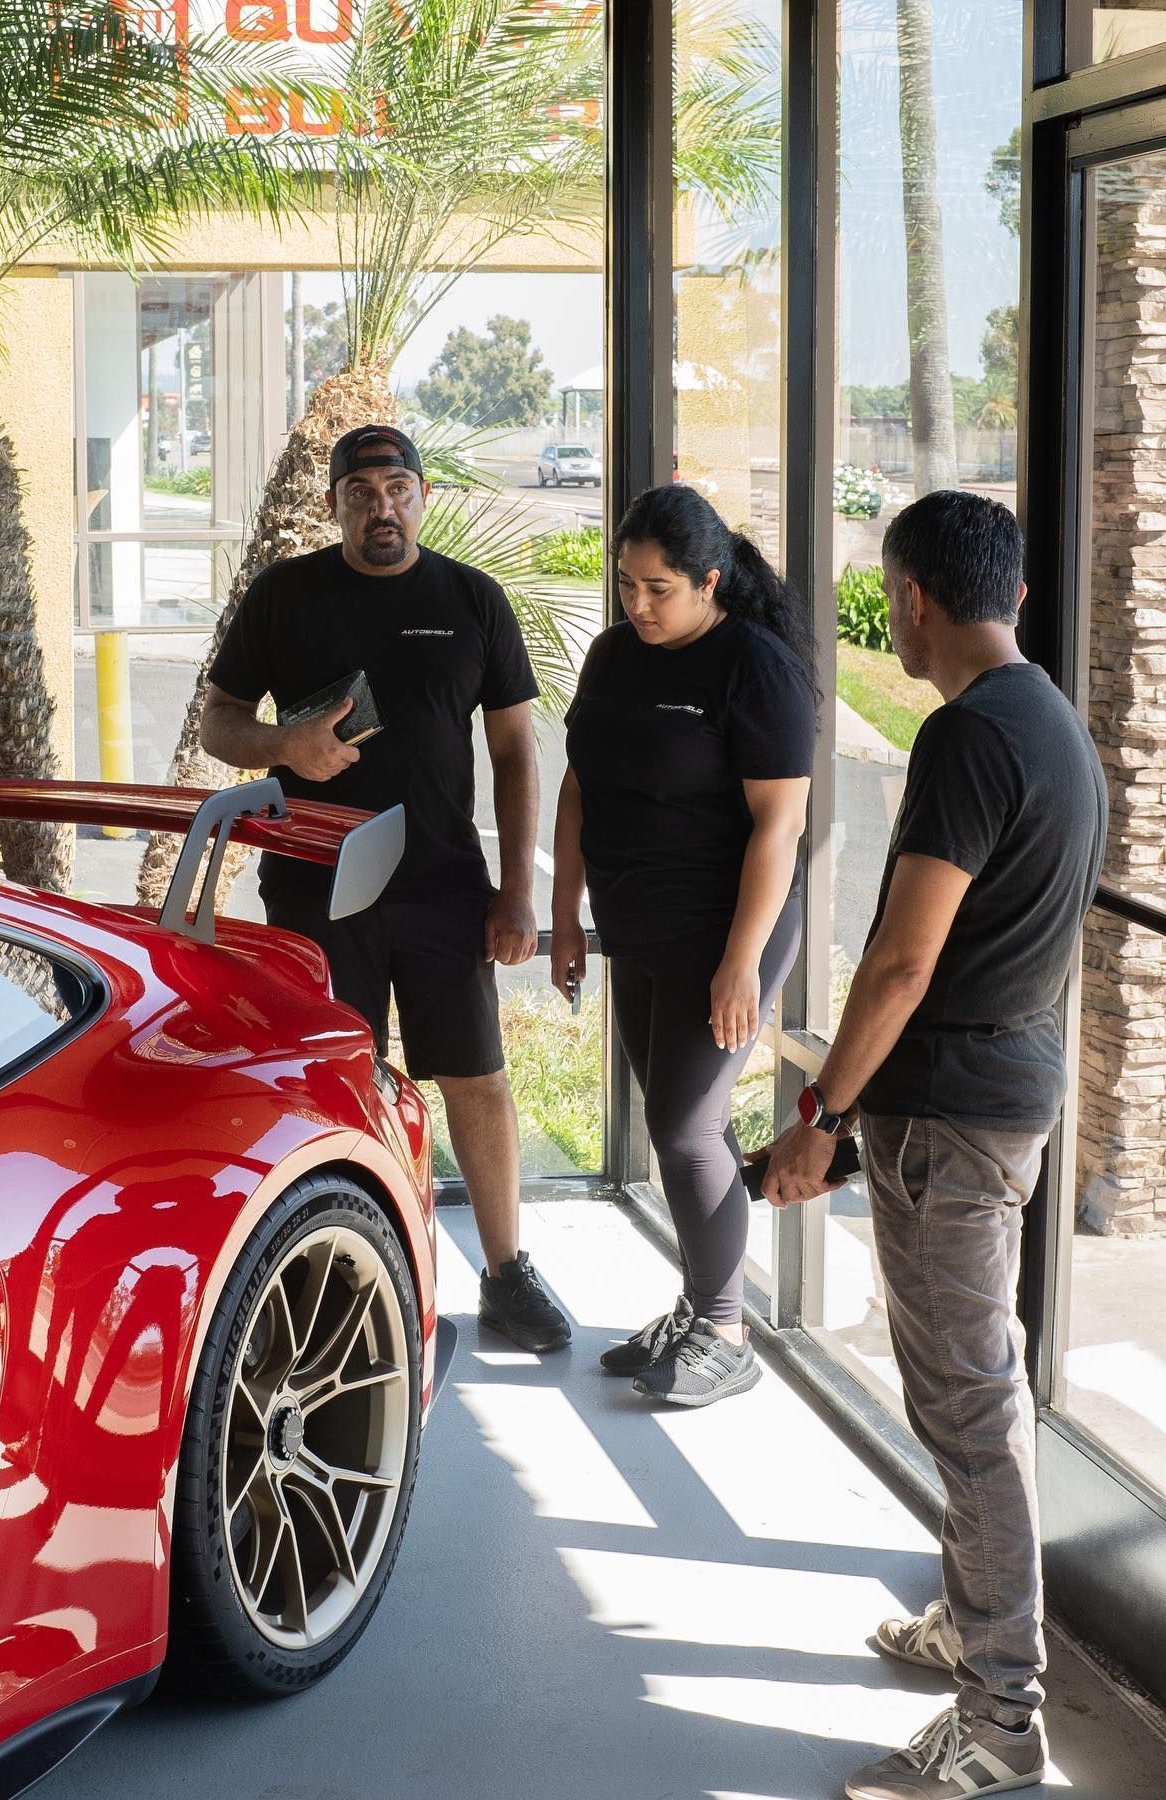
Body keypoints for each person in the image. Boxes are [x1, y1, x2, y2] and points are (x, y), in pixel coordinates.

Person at [758, 490, 1106, 1800]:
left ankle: (1003, 1727)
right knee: (969, 1390)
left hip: (951, 1118)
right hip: (1006, 1093)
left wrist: (821, 1119)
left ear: (910, 596)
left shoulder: (969, 736)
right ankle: (973, 1625)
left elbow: (904, 960)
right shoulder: (1059, 726)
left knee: (968, 1409)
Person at [202, 424, 571, 1354]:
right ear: (333, 505)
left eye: (398, 487)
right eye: (360, 492)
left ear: (423, 497)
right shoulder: (286, 598)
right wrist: (284, 747)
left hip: (448, 887)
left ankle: (506, 1271)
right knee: (337, 1086)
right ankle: (348, 1274)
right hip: (317, 889)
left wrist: (516, 892)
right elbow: (219, 722)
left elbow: (517, 751)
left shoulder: (472, 600)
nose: (382, 507)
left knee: (476, 1080)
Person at [551, 484, 815, 1406]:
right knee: (680, 1123)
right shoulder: (614, 655)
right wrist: (568, 916)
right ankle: (701, 1305)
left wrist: (741, 963)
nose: (636, 604)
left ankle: (725, 1331)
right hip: (638, 925)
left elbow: (780, 827)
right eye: (626, 583)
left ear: (710, 581)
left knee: (684, 1124)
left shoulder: (755, 668)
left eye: (658, 588)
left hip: (729, 925)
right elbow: (579, 786)